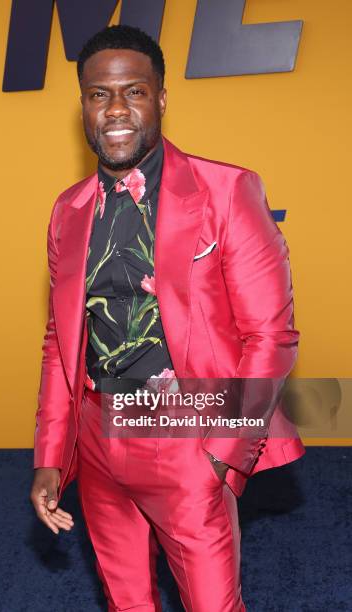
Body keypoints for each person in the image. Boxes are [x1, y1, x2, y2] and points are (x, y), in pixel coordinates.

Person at [30, 25, 304, 612]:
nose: (117, 109)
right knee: (126, 601)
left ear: (161, 98)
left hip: (188, 431)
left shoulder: (227, 190)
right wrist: (51, 456)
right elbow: (60, 341)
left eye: (134, 91)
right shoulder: (67, 210)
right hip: (98, 436)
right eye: (99, 94)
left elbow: (270, 337)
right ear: (83, 103)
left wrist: (222, 451)